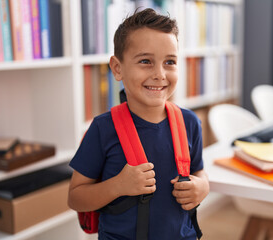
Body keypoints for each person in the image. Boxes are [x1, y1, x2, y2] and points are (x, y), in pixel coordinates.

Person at [68, 8, 209, 240]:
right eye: (145, 61)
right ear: (117, 68)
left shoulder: (190, 123)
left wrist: (203, 187)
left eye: (170, 62)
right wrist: (118, 186)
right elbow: (75, 198)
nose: (160, 74)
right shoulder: (103, 129)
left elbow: (198, 171)